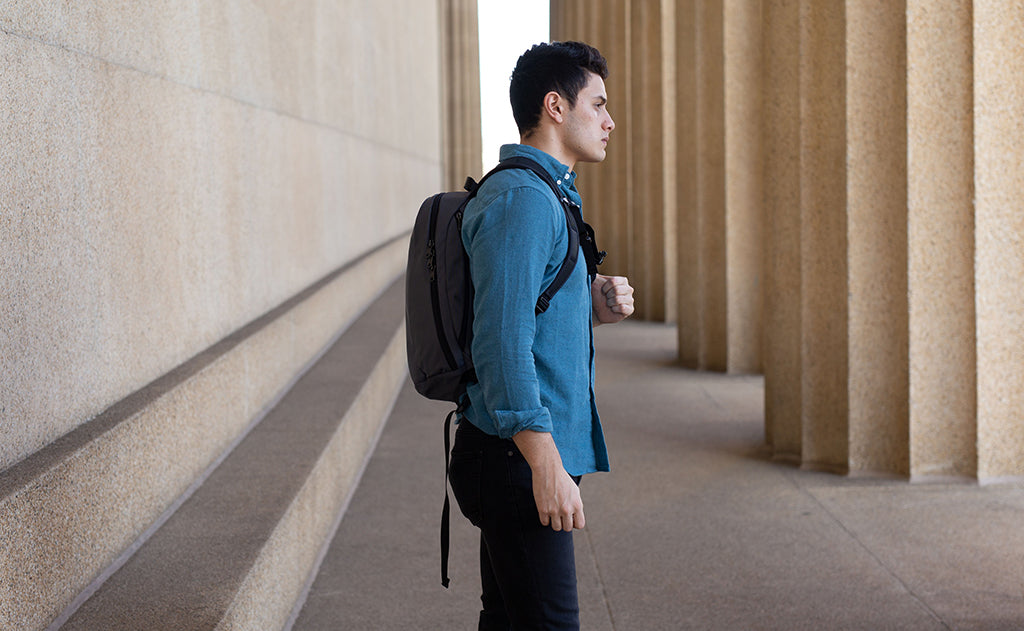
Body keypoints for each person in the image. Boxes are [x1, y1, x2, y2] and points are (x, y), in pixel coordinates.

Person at [448, 41, 634, 630]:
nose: (609, 121)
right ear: (556, 106)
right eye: (598, 104)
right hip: (516, 457)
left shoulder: (546, 192)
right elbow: (501, 343)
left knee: (508, 619)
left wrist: (592, 305)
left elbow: (527, 314)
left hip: (514, 452)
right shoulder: (525, 199)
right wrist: (544, 462)